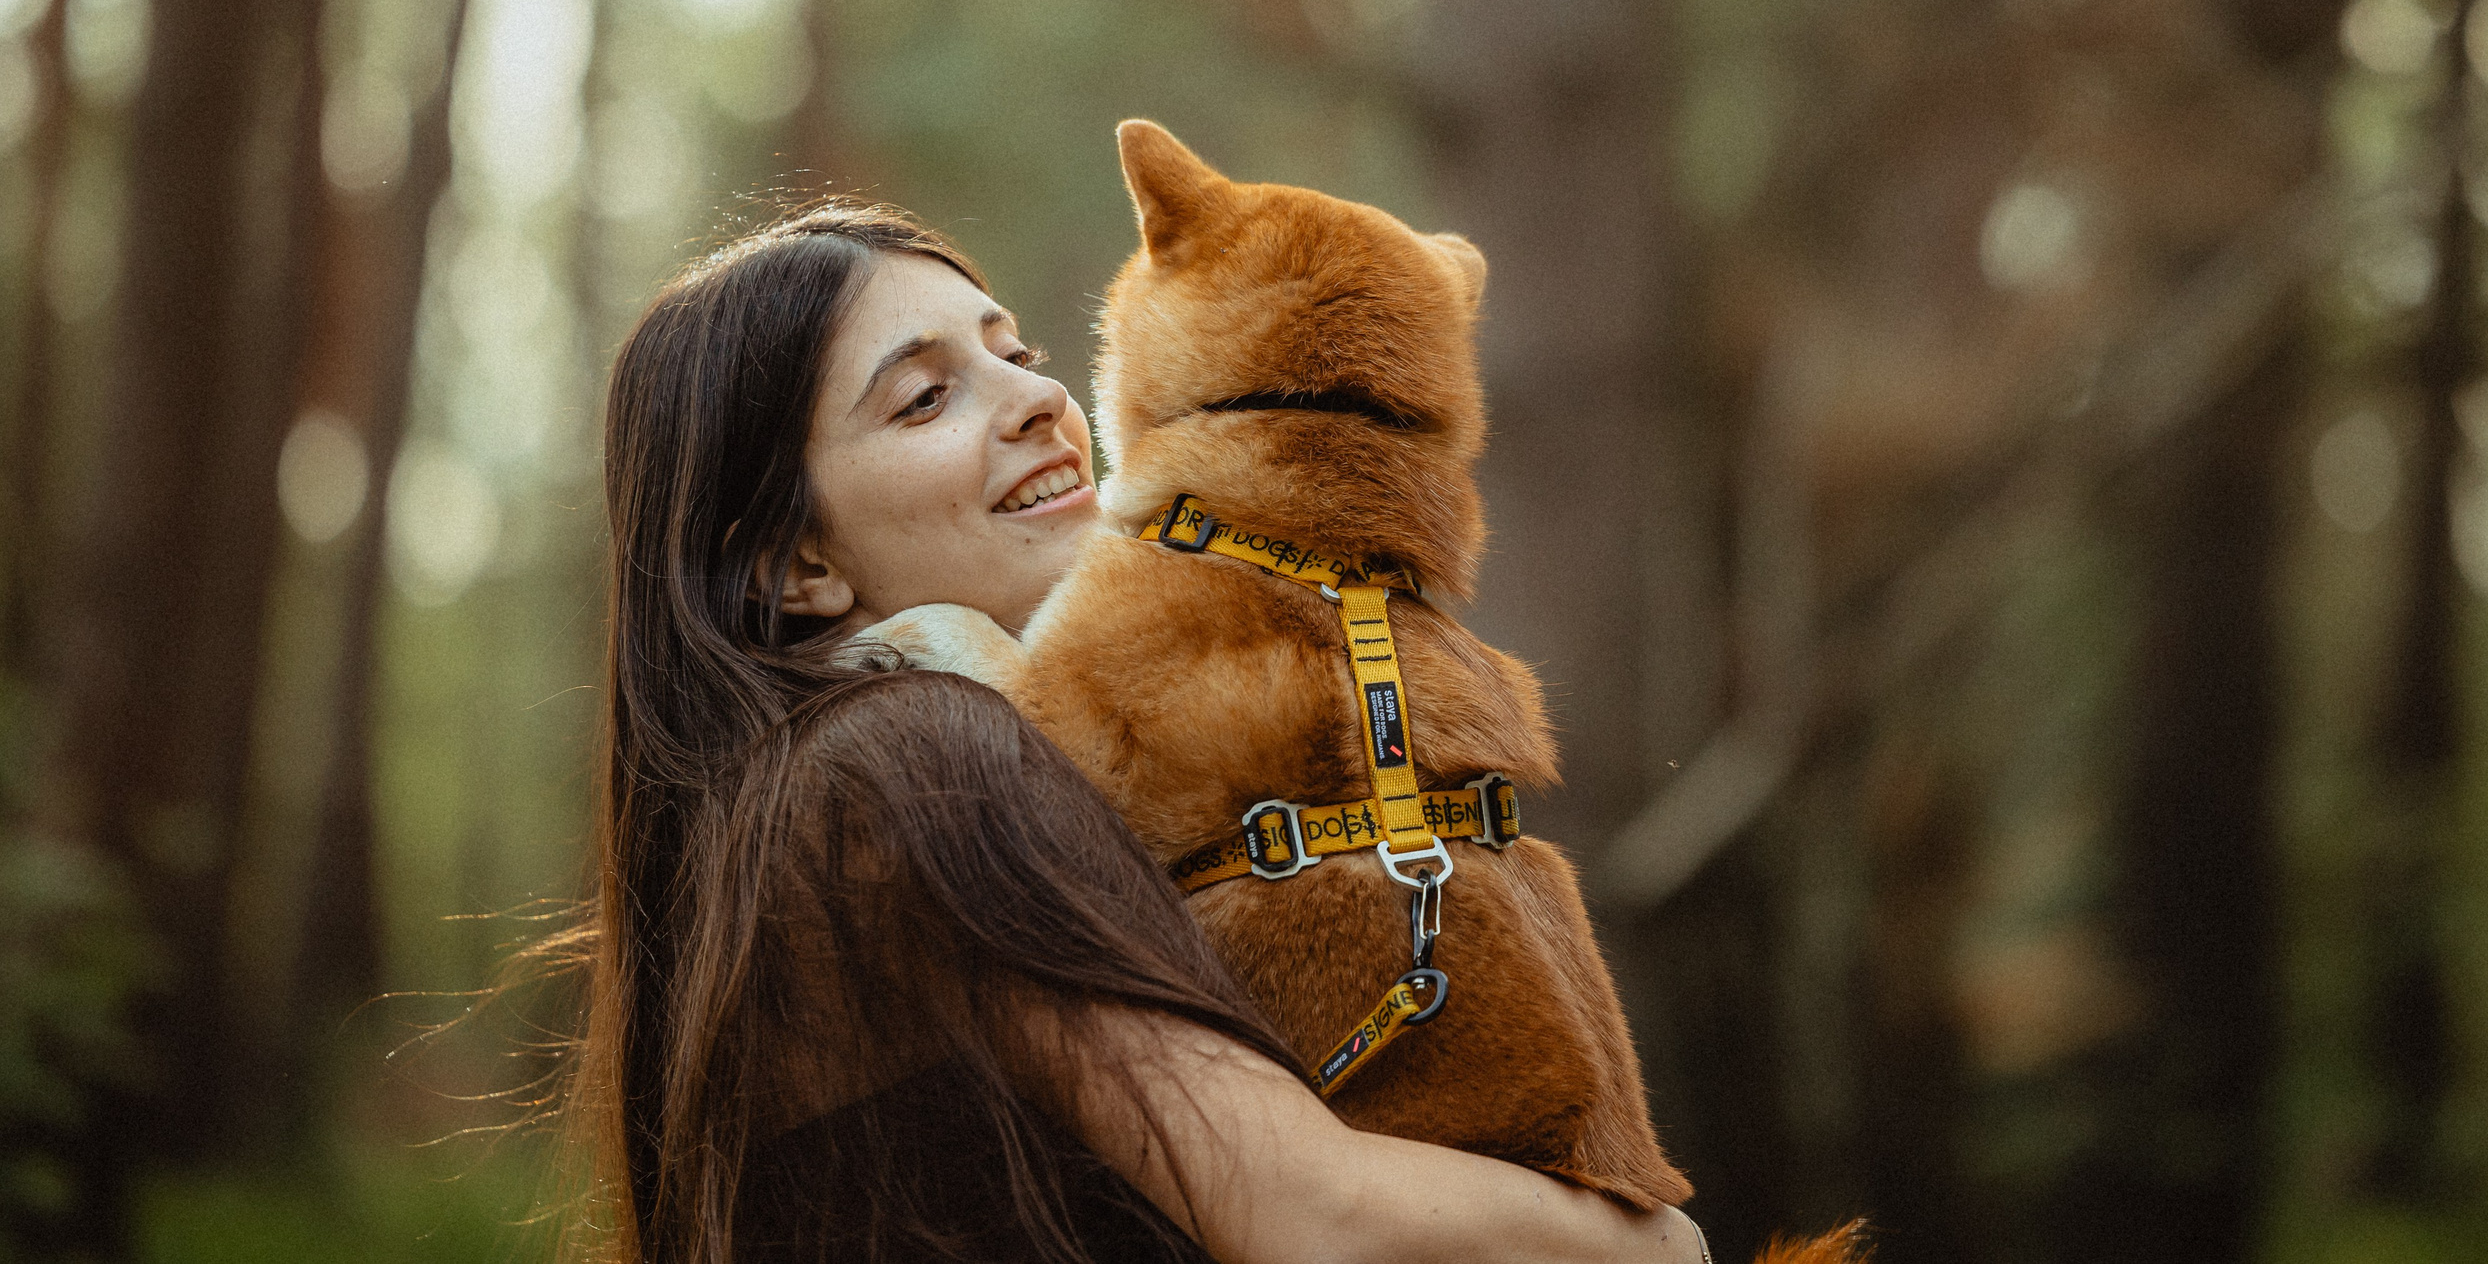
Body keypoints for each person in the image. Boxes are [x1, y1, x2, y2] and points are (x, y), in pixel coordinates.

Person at [561, 203, 1712, 1263]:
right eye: (923, 397)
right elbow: (1310, 1213)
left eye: (1017, 355)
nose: (1031, 401)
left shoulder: (790, 801)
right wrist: (1661, 1248)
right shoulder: (912, 757)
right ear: (792, 564)